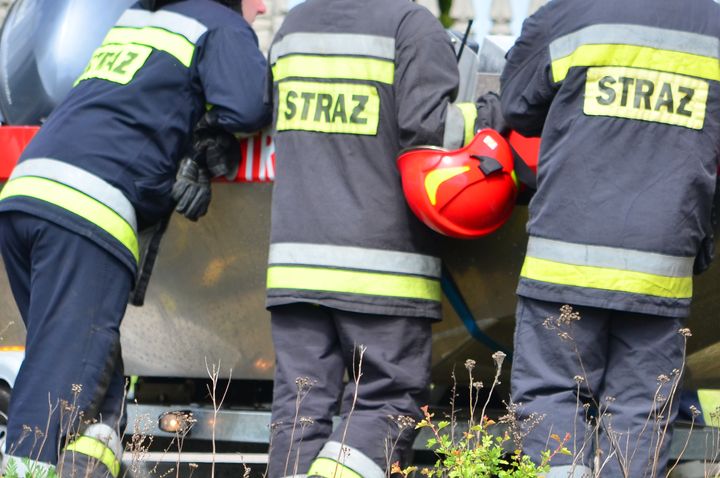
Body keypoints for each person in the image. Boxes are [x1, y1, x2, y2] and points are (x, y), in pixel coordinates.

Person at [0, 0, 269, 476]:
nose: (263, 6)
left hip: (25, 194)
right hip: (83, 212)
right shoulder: (217, 22)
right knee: (59, 393)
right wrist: (209, 140)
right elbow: (250, 103)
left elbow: (141, 106)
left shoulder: (134, 24)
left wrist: (197, 139)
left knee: (96, 398)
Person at [264, 1, 505, 477]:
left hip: (295, 262)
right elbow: (432, 132)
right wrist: (490, 112)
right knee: (387, 401)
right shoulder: (410, 26)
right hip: (382, 268)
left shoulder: (294, 24)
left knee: (299, 410)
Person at [500, 0, 720, 476]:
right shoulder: (714, 24)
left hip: (565, 256)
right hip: (662, 262)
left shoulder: (569, 13)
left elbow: (517, 106)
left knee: (552, 394)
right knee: (641, 410)